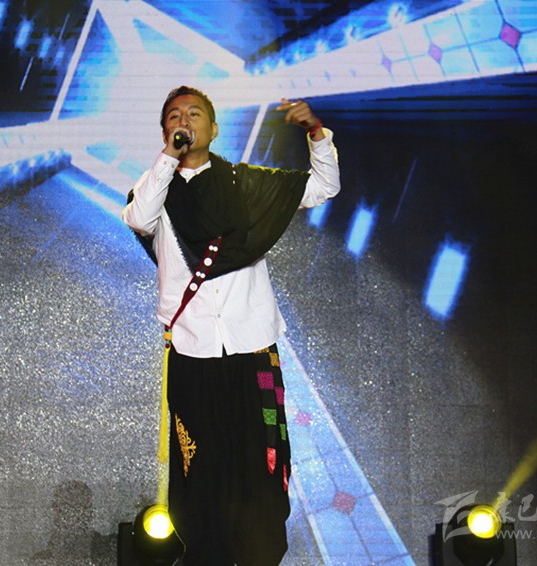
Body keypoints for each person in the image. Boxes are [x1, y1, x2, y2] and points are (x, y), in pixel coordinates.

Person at [123, 85, 340, 565]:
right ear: (165, 131)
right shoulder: (154, 191)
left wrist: (316, 133)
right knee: (200, 474)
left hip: (253, 350)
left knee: (263, 465)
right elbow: (138, 218)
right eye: (174, 116)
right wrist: (168, 158)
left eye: (194, 114)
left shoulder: (246, 185)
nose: (184, 121)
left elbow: (323, 187)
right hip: (193, 353)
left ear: (214, 128)